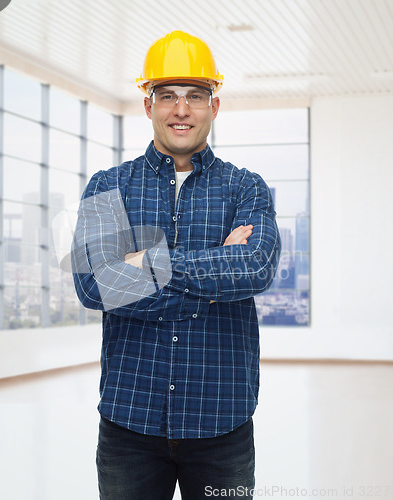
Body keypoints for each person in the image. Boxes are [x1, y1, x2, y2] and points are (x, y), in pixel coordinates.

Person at [71, 30, 281, 500]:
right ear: (149, 106)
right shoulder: (108, 185)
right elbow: (93, 285)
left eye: (194, 96)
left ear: (214, 106)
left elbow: (255, 268)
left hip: (221, 421)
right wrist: (213, 273)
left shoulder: (247, 188)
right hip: (130, 421)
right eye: (167, 95)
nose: (181, 109)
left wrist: (142, 262)